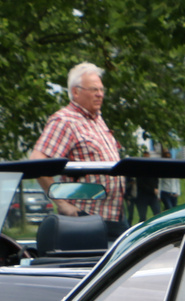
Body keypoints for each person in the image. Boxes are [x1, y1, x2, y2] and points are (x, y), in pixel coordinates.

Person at [31, 62, 126, 236]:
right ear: (76, 92)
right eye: (93, 90)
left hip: (114, 214)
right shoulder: (65, 120)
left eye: (101, 90)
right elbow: (37, 161)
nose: (99, 95)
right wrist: (63, 204)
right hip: (84, 217)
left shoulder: (97, 119)